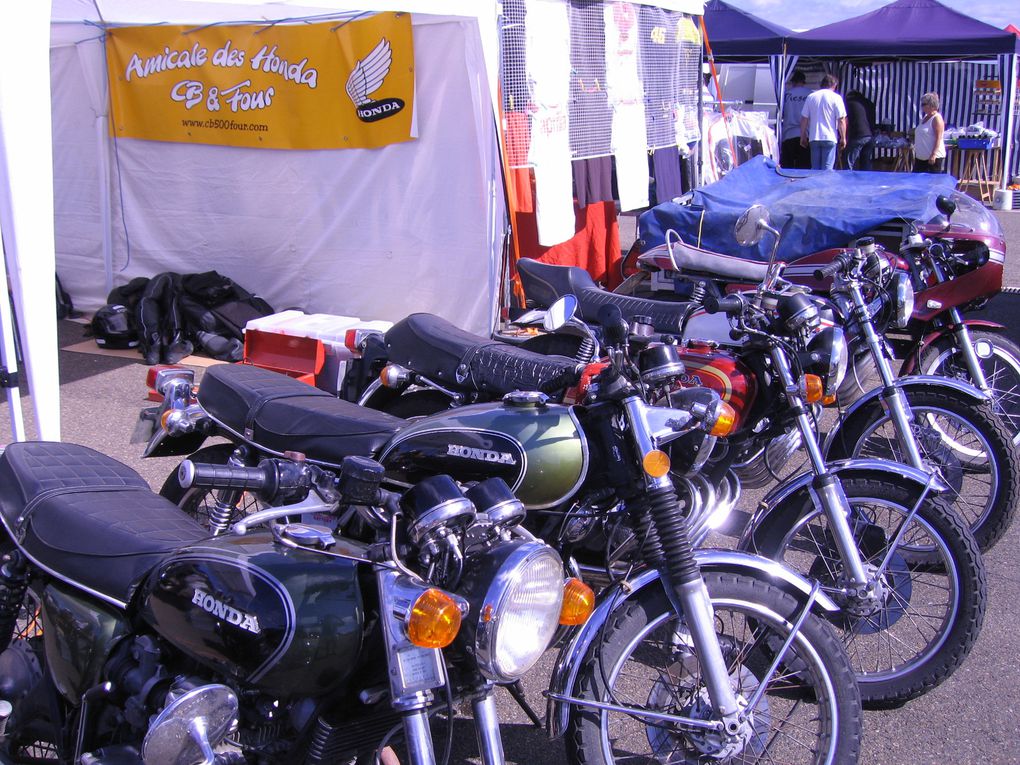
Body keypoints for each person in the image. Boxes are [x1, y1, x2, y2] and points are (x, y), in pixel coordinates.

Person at [800, 74, 846, 170]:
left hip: (814, 137)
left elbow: (804, 118)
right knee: (827, 169)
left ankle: (815, 185)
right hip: (830, 137)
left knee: (815, 169)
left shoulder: (811, 97)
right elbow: (841, 120)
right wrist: (843, 137)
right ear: (834, 85)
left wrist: (803, 136)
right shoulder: (836, 98)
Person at [779, 71, 812, 169]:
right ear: (804, 82)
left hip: (788, 134)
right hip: (806, 134)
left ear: (793, 82)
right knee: (803, 169)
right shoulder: (810, 95)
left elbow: (782, 113)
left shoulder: (785, 95)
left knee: (787, 169)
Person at [913, 91, 946, 173]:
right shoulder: (925, 117)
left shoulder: (936, 118)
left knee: (931, 184)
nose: (922, 106)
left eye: (924, 104)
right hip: (920, 158)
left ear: (931, 105)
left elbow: (938, 138)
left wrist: (933, 155)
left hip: (932, 159)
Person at [844, 90, 876, 171]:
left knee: (849, 162)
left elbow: (845, 120)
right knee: (865, 162)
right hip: (870, 136)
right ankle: (866, 181)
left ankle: (848, 181)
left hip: (858, 135)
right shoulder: (868, 103)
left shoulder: (849, 103)